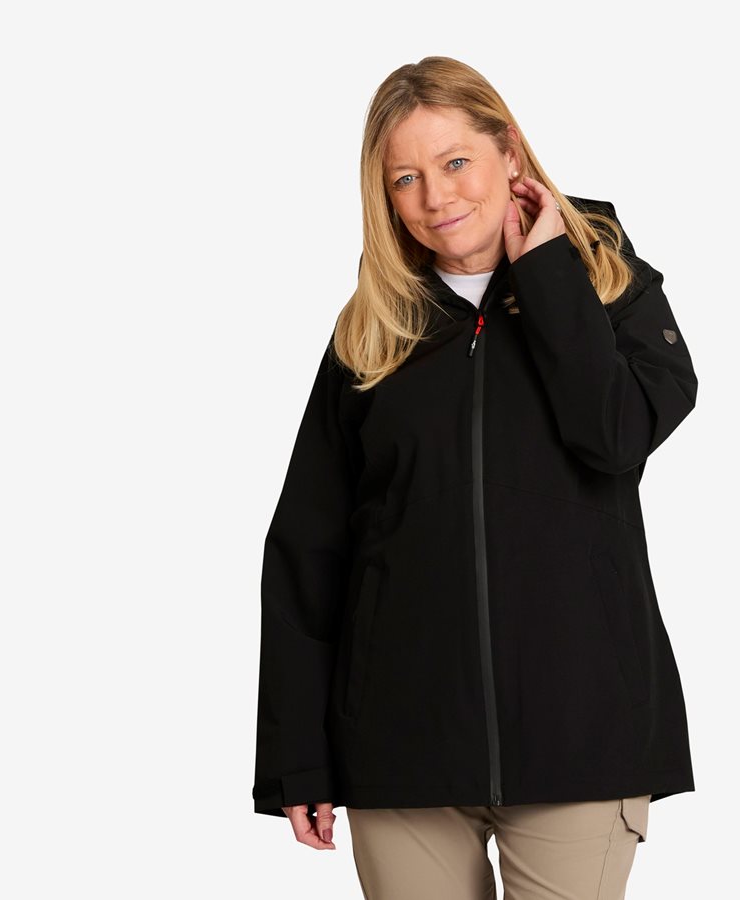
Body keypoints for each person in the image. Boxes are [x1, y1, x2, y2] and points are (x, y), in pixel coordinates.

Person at [252, 55, 699, 899]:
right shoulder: (374, 333)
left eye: (456, 161)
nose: (436, 195)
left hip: (580, 739)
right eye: (406, 178)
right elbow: (308, 552)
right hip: (400, 749)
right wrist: (296, 756)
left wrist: (548, 273)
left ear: (509, 152)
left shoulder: (608, 287)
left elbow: (617, 434)